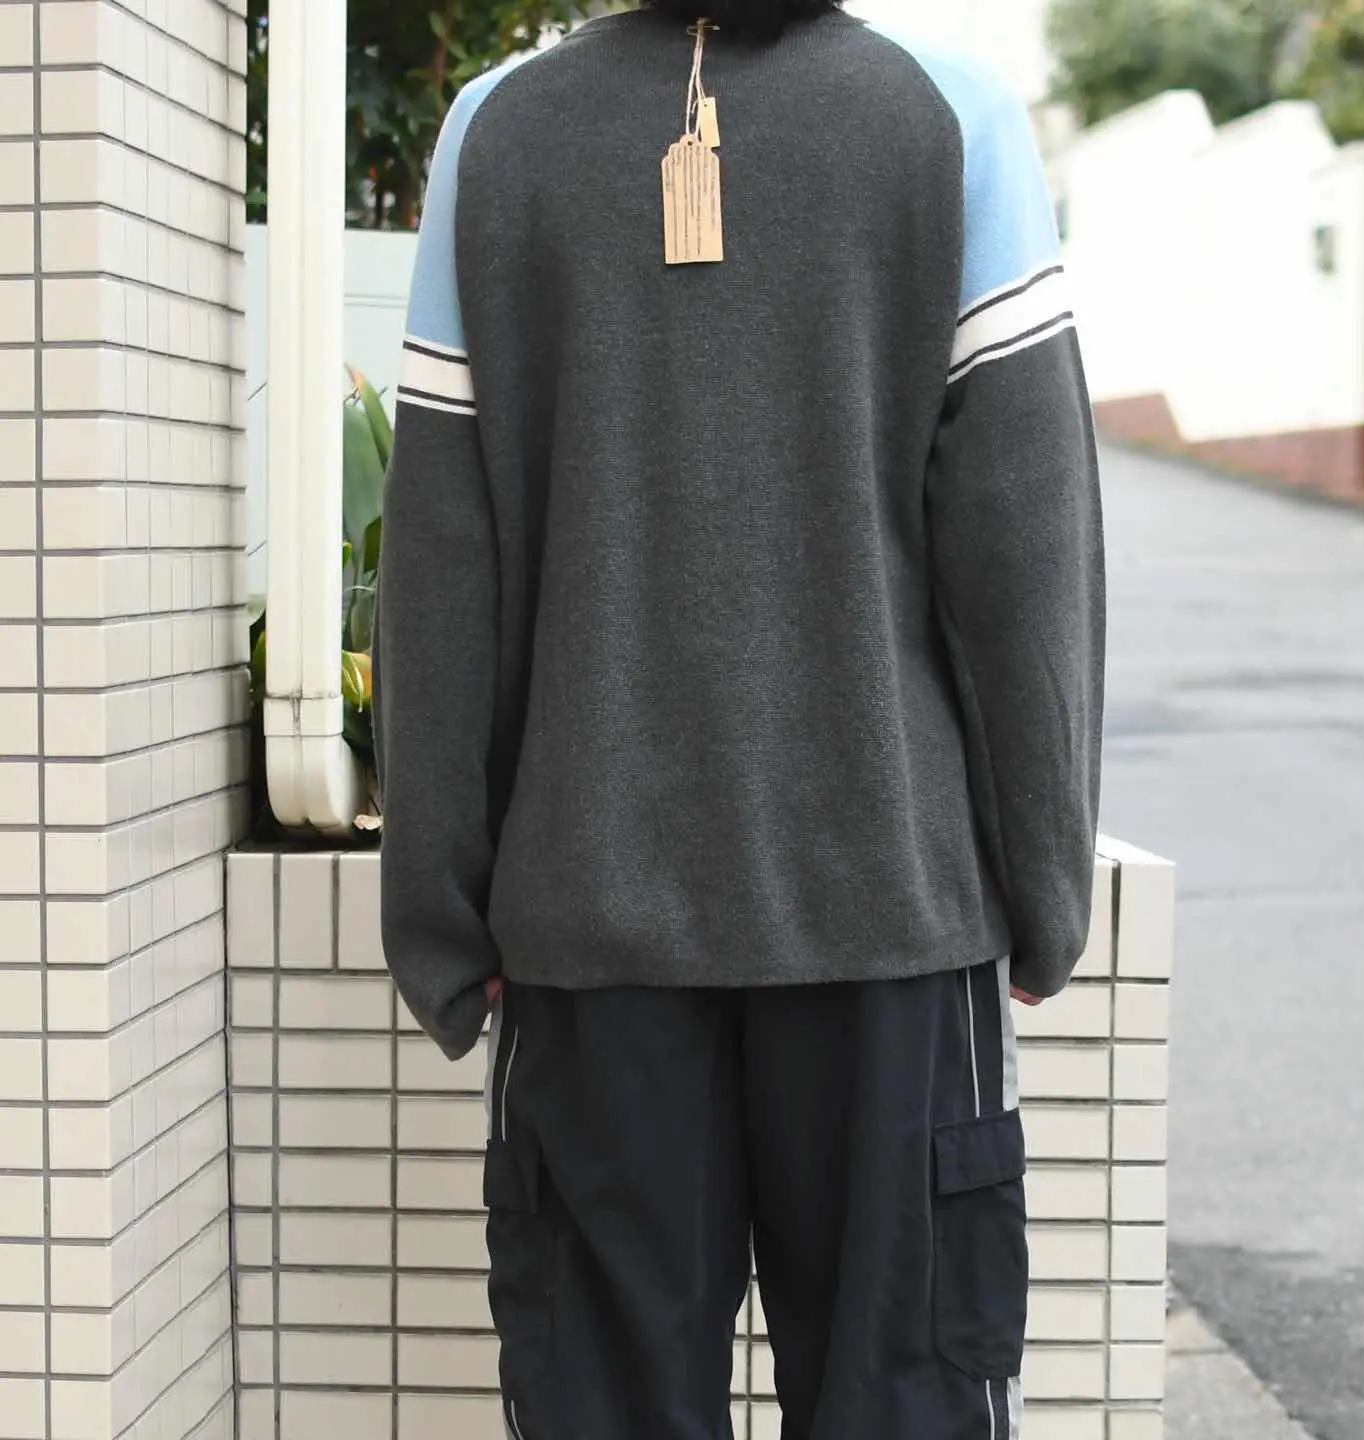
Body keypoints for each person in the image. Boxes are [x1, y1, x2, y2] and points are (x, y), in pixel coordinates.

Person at [372, 0, 1105, 1434]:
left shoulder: (499, 129)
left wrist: (443, 916)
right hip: (891, 923)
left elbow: (445, 555)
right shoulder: (949, 117)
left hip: (590, 929)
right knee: (906, 1401)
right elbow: (1024, 544)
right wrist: (1044, 886)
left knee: (603, 1404)